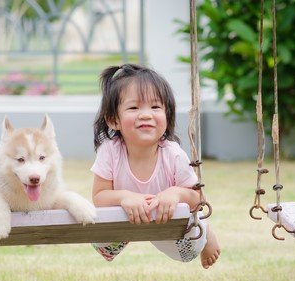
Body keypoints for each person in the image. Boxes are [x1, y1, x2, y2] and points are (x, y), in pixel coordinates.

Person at [90, 64, 220, 268]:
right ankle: (129, 232)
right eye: (134, 107)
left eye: (155, 107)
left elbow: (198, 199)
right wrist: (125, 197)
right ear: (114, 120)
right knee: (100, 241)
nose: (145, 115)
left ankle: (206, 234)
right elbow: (99, 198)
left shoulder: (173, 153)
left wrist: (176, 193)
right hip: (127, 217)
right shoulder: (110, 151)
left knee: (187, 251)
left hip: (166, 221)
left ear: (167, 118)